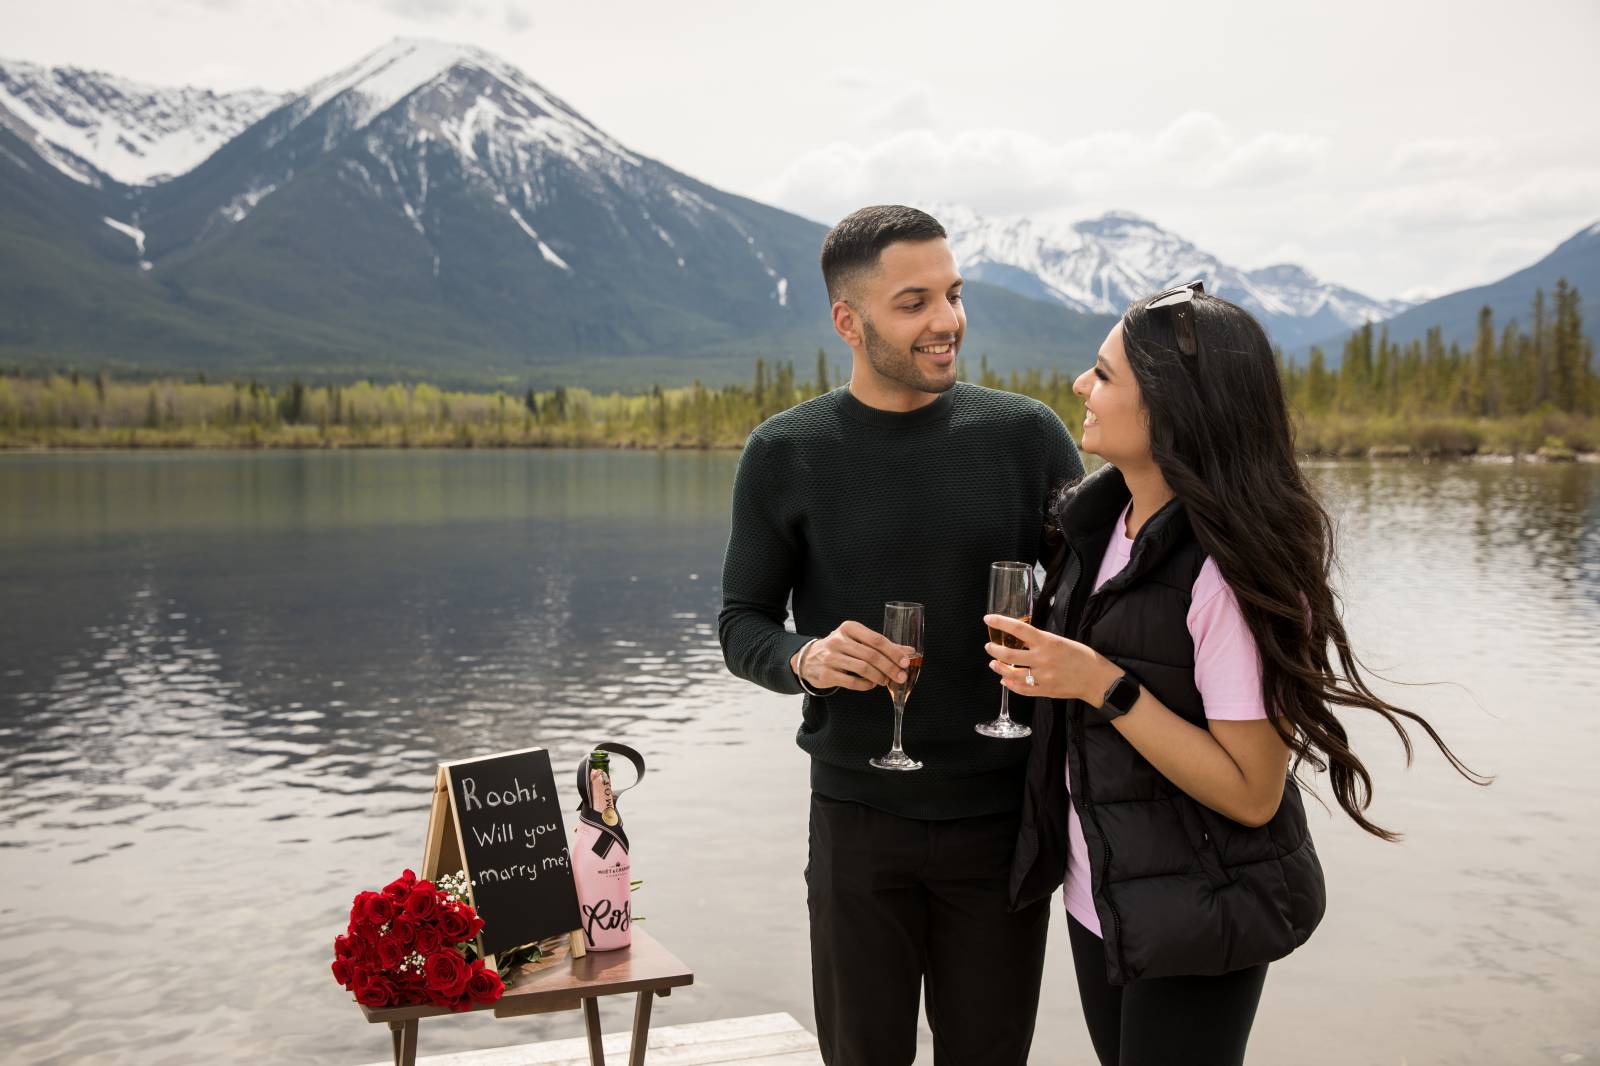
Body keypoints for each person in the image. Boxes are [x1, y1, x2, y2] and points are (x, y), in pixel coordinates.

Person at [991, 283, 1491, 1066]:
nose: (1081, 387)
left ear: (1171, 408)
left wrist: (1101, 684)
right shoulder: (1101, 524)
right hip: (1104, 897)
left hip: (1200, 913)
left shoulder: (1227, 574)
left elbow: (1253, 792)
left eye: (1104, 374)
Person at [717, 204, 1083, 1065]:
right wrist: (805, 660)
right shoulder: (786, 452)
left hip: (1002, 824)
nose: (948, 321)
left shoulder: (1028, 437)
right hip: (856, 822)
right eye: (914, 302)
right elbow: (742, 624)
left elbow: (1098, 598)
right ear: (850, 321)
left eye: (953, 296)